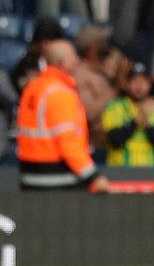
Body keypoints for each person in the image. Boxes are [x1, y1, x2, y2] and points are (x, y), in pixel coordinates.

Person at [16, 39, 109, 192]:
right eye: (73, 57)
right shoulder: (60, 94)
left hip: (28, 176)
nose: (77, 60)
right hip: (56, 179)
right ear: (63, 62)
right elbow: (68, 143)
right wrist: (94, 176)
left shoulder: (32, 88)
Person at [101, 61, 154, 167]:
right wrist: (137, 120)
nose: (139, 86)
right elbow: (115, 140)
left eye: (144, 81)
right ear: (126, 84)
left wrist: (147, 125)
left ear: (150, 85)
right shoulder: (114, 107)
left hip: (153, 174)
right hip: (120, 173)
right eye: (134, 80)